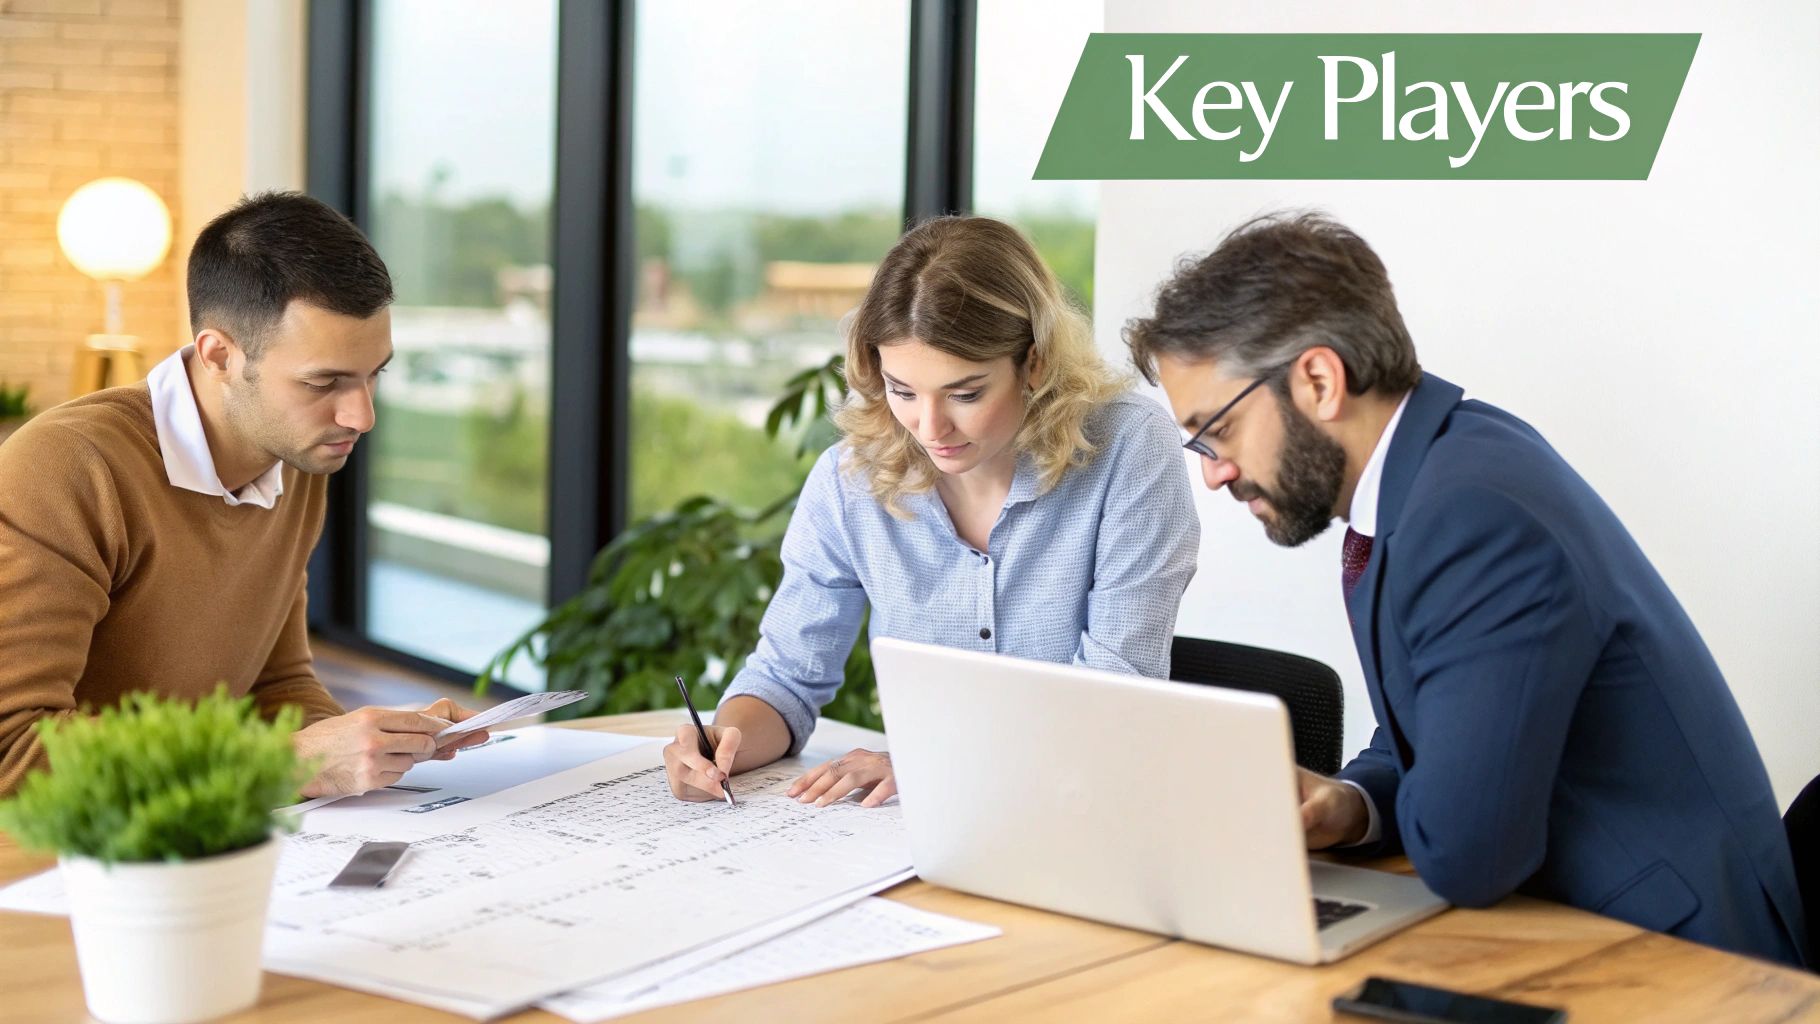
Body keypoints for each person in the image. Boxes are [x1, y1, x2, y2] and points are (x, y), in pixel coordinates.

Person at [1126, 211, 1808, 967]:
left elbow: (1467, 855)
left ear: (1318, 380)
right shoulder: (1443, 466)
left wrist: (1423, 796)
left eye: (1216, 431)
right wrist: (1352, 804)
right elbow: (1436, 728)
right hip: (1585, 920)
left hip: (1687, 960)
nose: (1213, 473)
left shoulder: (1469, 515)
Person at [662, 216, 1199, 808]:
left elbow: (1116, 692)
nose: (930, 427)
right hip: (921, 827)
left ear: (1035, 362)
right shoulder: (849, 481)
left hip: (1084, 808)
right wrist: (721, 748)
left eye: (965, 394)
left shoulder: (1129, 448)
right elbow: (787, 677)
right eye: (902, 391)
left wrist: (936, 767)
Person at [0, 191, 490, 800]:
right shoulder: (67, 469)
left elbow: (275, 687)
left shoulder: (295, 455)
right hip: (56, 845)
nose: (361, 416)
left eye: (374, 374)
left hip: (195, 824)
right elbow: (13, 752)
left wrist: (368, 745)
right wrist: (285, 763)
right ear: (220, 355)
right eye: (323, 382)